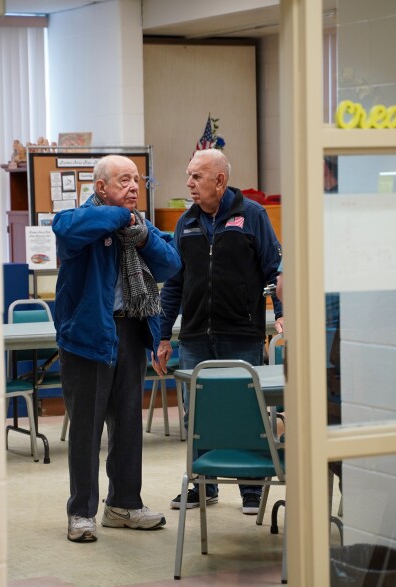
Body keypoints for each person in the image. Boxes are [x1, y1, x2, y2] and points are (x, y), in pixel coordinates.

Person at [52, 154, 181, 543]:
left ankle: (123, 504)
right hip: (88, 338)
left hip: (130, 333)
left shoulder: (139, 229)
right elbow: (65, 230)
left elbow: (170, 264)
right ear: (100, 187)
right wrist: (122, 218)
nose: (133, 188)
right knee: (87, 429)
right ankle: (81, 513)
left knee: (127, 426)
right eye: (124, 181)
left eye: (137, 181)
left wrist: (139, 233)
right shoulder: (81, 221)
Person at [153, 149, 284, 515]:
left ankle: (251, 490)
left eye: (196, 176)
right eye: (189, 175)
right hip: (195, 336)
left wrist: (283, 314)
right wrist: (163, 336)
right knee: (196, 414)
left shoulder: (252, 216)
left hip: (240, 333)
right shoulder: (186, 223)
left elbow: (276, 270)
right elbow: (174, 284)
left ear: (219, 181)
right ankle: (201, 485)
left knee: (246, 410)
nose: (189, 183)